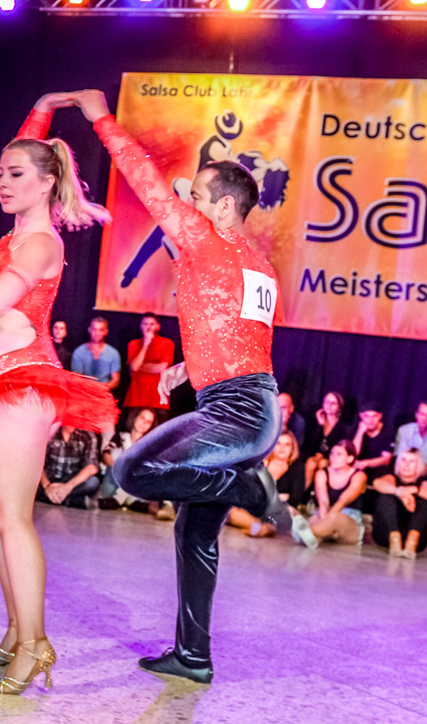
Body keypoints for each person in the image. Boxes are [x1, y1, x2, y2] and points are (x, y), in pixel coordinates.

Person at [72, 88, 281, 684]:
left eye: (198, 196)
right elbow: (242, 337)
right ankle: (193, 655)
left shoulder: (207, 240)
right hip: (248, 403)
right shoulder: (259, 266)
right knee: (194, 533)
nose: (187, 202)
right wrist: (188, 367)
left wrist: (102, 119)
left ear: (223, 208)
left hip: (236, 412)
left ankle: (246, 487)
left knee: (130, 470)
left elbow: (146, 184)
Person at [0, 93, 117, 696]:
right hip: (3, 383)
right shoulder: (17, 234)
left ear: (46, 184)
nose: (2, 183)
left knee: (13, 518)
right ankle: (19, 626)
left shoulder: (42, 243)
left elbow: (1, 297)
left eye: (15, 175)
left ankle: (36, 642)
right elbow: (30, 149)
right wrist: (43, 106)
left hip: (27, 383)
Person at [292, 440, 367, 548]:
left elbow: (343, 501)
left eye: (339, 454)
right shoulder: (322, 473)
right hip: (326, 515)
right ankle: (314, 537)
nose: (333, 457)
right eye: (332, 453)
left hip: (348, 520)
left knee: (334, 517)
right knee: (315, 518)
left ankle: (307, 533)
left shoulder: (359, 475)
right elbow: (323, 502)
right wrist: (324, 520)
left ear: (350, 458)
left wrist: (328, 520)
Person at [228, 430, 303, 538]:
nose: (282, 448)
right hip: (255, 509)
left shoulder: (296, 470)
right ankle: (259, 527)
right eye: (278, 443)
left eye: (287, 445)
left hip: (278, 513)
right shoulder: (261, 465)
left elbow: (294, 499)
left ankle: (262, 527)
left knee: (291, 515)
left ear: (292, 449)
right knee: (232, 512)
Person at [371, 450, 427, 558]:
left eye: (411, 461)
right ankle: (395, 539)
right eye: (403, 460)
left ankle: (412, 541)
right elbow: (377, 484)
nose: (406, 465)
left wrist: (414, 490)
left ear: (418, 465)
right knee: (385, 497)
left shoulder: (423, 483)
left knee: (424, 500)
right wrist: (400, 492)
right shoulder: (391, 478)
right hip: (386, 535)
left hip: (417, 539)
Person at [97, 408, 168, 517]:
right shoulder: (120, 437)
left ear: (150, 426)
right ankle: (129, 502)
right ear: (135, 418)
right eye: (142, 418)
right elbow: (105, 456)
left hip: (135, 489)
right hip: (114, 482)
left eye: (148, 422)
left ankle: (119, 500)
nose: (143, 423)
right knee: (117, 454)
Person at [38, 427, 101, 509]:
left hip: (71, 479)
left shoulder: (88, 434)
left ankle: (47, 497)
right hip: (47, 478)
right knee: (27, 481)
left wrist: (67, 487)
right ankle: (71, 501)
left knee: (92, 482)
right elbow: (37, 462)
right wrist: (47, 486)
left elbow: (92, 467)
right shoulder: (49, 430)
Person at [124, 313, 174, 414]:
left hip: (159, 399)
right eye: (145, 324)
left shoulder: (167, 343)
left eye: (152, 324)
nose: (148, 327)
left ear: (158, 326)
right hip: (136, 398)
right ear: (141, 326)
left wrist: (142, 367)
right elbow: (135, 367)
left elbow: (162, 368)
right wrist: (145, 344)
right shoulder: (133, 344)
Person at [304, 391, 349, 486]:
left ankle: (318, 492)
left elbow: (338, 447)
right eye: (327, 402)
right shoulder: (315, 422)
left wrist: (323, 455)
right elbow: (310, 445)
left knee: (322, 463)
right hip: (313, 455)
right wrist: (320, 425)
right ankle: (304, 492)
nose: (329, 406)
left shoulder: (343, 427)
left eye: (333, 403)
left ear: (339, 406)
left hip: (331, 458)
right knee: (311, 463)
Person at [70, 317, 121, 395]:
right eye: (94, 329)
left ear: (106, 332)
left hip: (104, 394)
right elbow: (76, 378)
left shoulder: (113, 353)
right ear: (89, 330)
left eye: (100, 330)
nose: (97, 333)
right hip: (84, 394)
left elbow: (116, 380)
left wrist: (102, 388)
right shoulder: (79, 352)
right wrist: (90, 389)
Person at [394, 401, 427, 471]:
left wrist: (419, 467)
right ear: (416, 415)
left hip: (426, 471)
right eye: (422, 414)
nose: (424, 418)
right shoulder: (404, 430)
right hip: (404, 468)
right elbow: (399, 456)